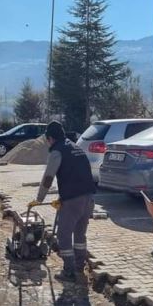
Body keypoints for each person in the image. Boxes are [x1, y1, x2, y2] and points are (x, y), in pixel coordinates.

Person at [29, 120, 96, 282]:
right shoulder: (75, 147)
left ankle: (69, 271)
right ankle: (80, 266)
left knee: (63, 235)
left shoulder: (57, 151)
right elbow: (76, 173)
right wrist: (61, 198)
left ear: (50, 138)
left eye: (48, 140)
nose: (48, 142)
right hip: (88, 197)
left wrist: (39, 199)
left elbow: (48, 178)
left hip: (73, 199)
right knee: (80, 234)